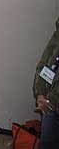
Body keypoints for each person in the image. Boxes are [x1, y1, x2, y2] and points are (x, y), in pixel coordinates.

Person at [33, 17, 59, 149]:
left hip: (52, 103)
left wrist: (51, 101)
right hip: (48, 105)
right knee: (47, 143)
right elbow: (46, 62)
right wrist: (40, 93)